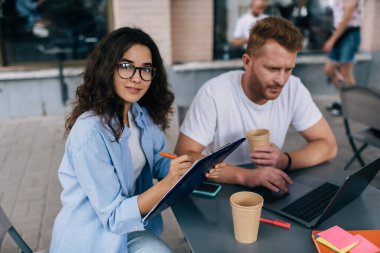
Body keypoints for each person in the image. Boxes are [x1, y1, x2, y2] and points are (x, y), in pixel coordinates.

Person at [49, 27, 192, 253]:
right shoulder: (89, 133)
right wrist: (169, 181)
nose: (137, 78)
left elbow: (159, 161)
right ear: (107, 69)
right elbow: (113, 216)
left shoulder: (139, 114)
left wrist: (191, 166)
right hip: (90, 238)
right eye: (126, 66)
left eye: (145, 69)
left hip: (126, 228)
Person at [175, 17, 337, 193]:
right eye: (272, 69)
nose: (281, 80)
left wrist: (286, 160)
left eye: (288, 69)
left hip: (266, 186)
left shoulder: (294, 88)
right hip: (219, 188)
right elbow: (183, 157)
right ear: (247, 62)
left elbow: (329, 146)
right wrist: (246, 176)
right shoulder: (214, 93)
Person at [324, 0, 364, 116]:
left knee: (346, 73)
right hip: (339, 33)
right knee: (329, 69)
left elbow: (347, 16)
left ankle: (351, 105)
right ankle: (345, 100)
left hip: (349, 33)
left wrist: (332, 40)